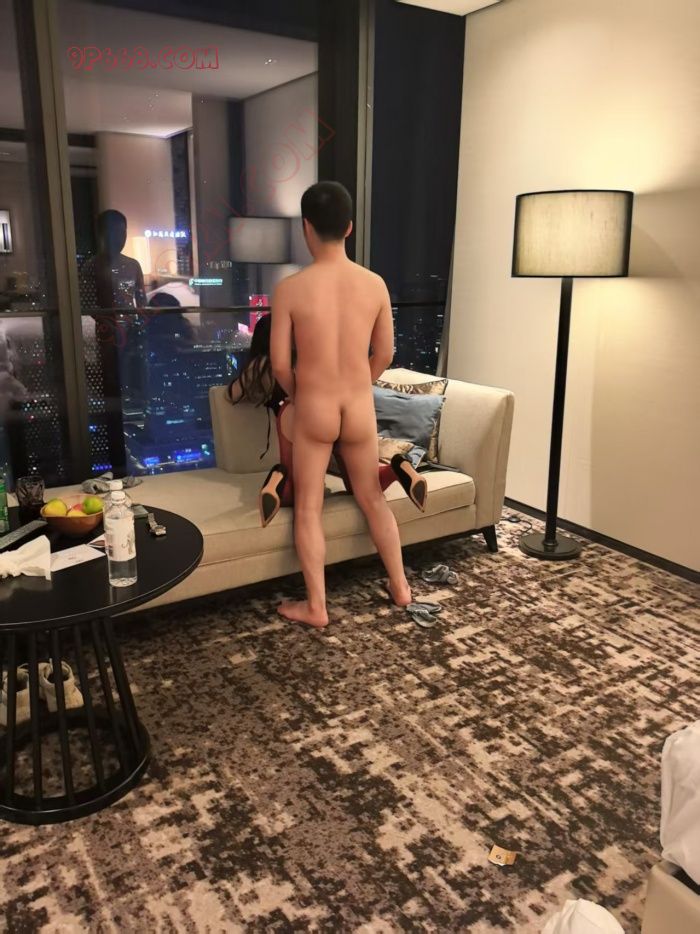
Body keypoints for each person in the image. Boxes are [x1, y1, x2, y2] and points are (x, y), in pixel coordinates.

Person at [270, 181, 418, 629]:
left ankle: (317, 606)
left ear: (306, 227)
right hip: (357, 407)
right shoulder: (374, 284)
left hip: (315, 407)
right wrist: (357, 384)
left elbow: (280, 364)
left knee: (309, 506)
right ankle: (400, 587)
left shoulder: (290, 289)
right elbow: (385, 354)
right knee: (372, 497)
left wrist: (303, 396)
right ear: (349, 227)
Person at [227, 314, 426, 528]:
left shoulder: (266, 366)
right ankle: (398, 467)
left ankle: (278, 477)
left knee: (299, 489)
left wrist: (256, 378)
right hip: (340, 412)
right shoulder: (311, 356)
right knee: (362, 486)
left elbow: (232, 394)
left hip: (298, 419)